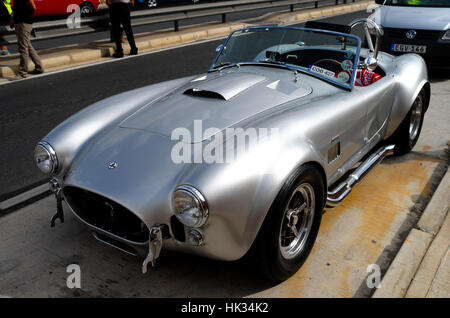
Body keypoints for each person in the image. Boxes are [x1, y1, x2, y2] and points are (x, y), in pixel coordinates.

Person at [9, 0, 44, 80]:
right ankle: (39, 67)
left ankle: (22, 73)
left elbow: (33, 8)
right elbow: (16, 8)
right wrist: (13, 18)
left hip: (24, 23)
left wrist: (24, 17)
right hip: (19, 22)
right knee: (27, 46)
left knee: (23, 48)